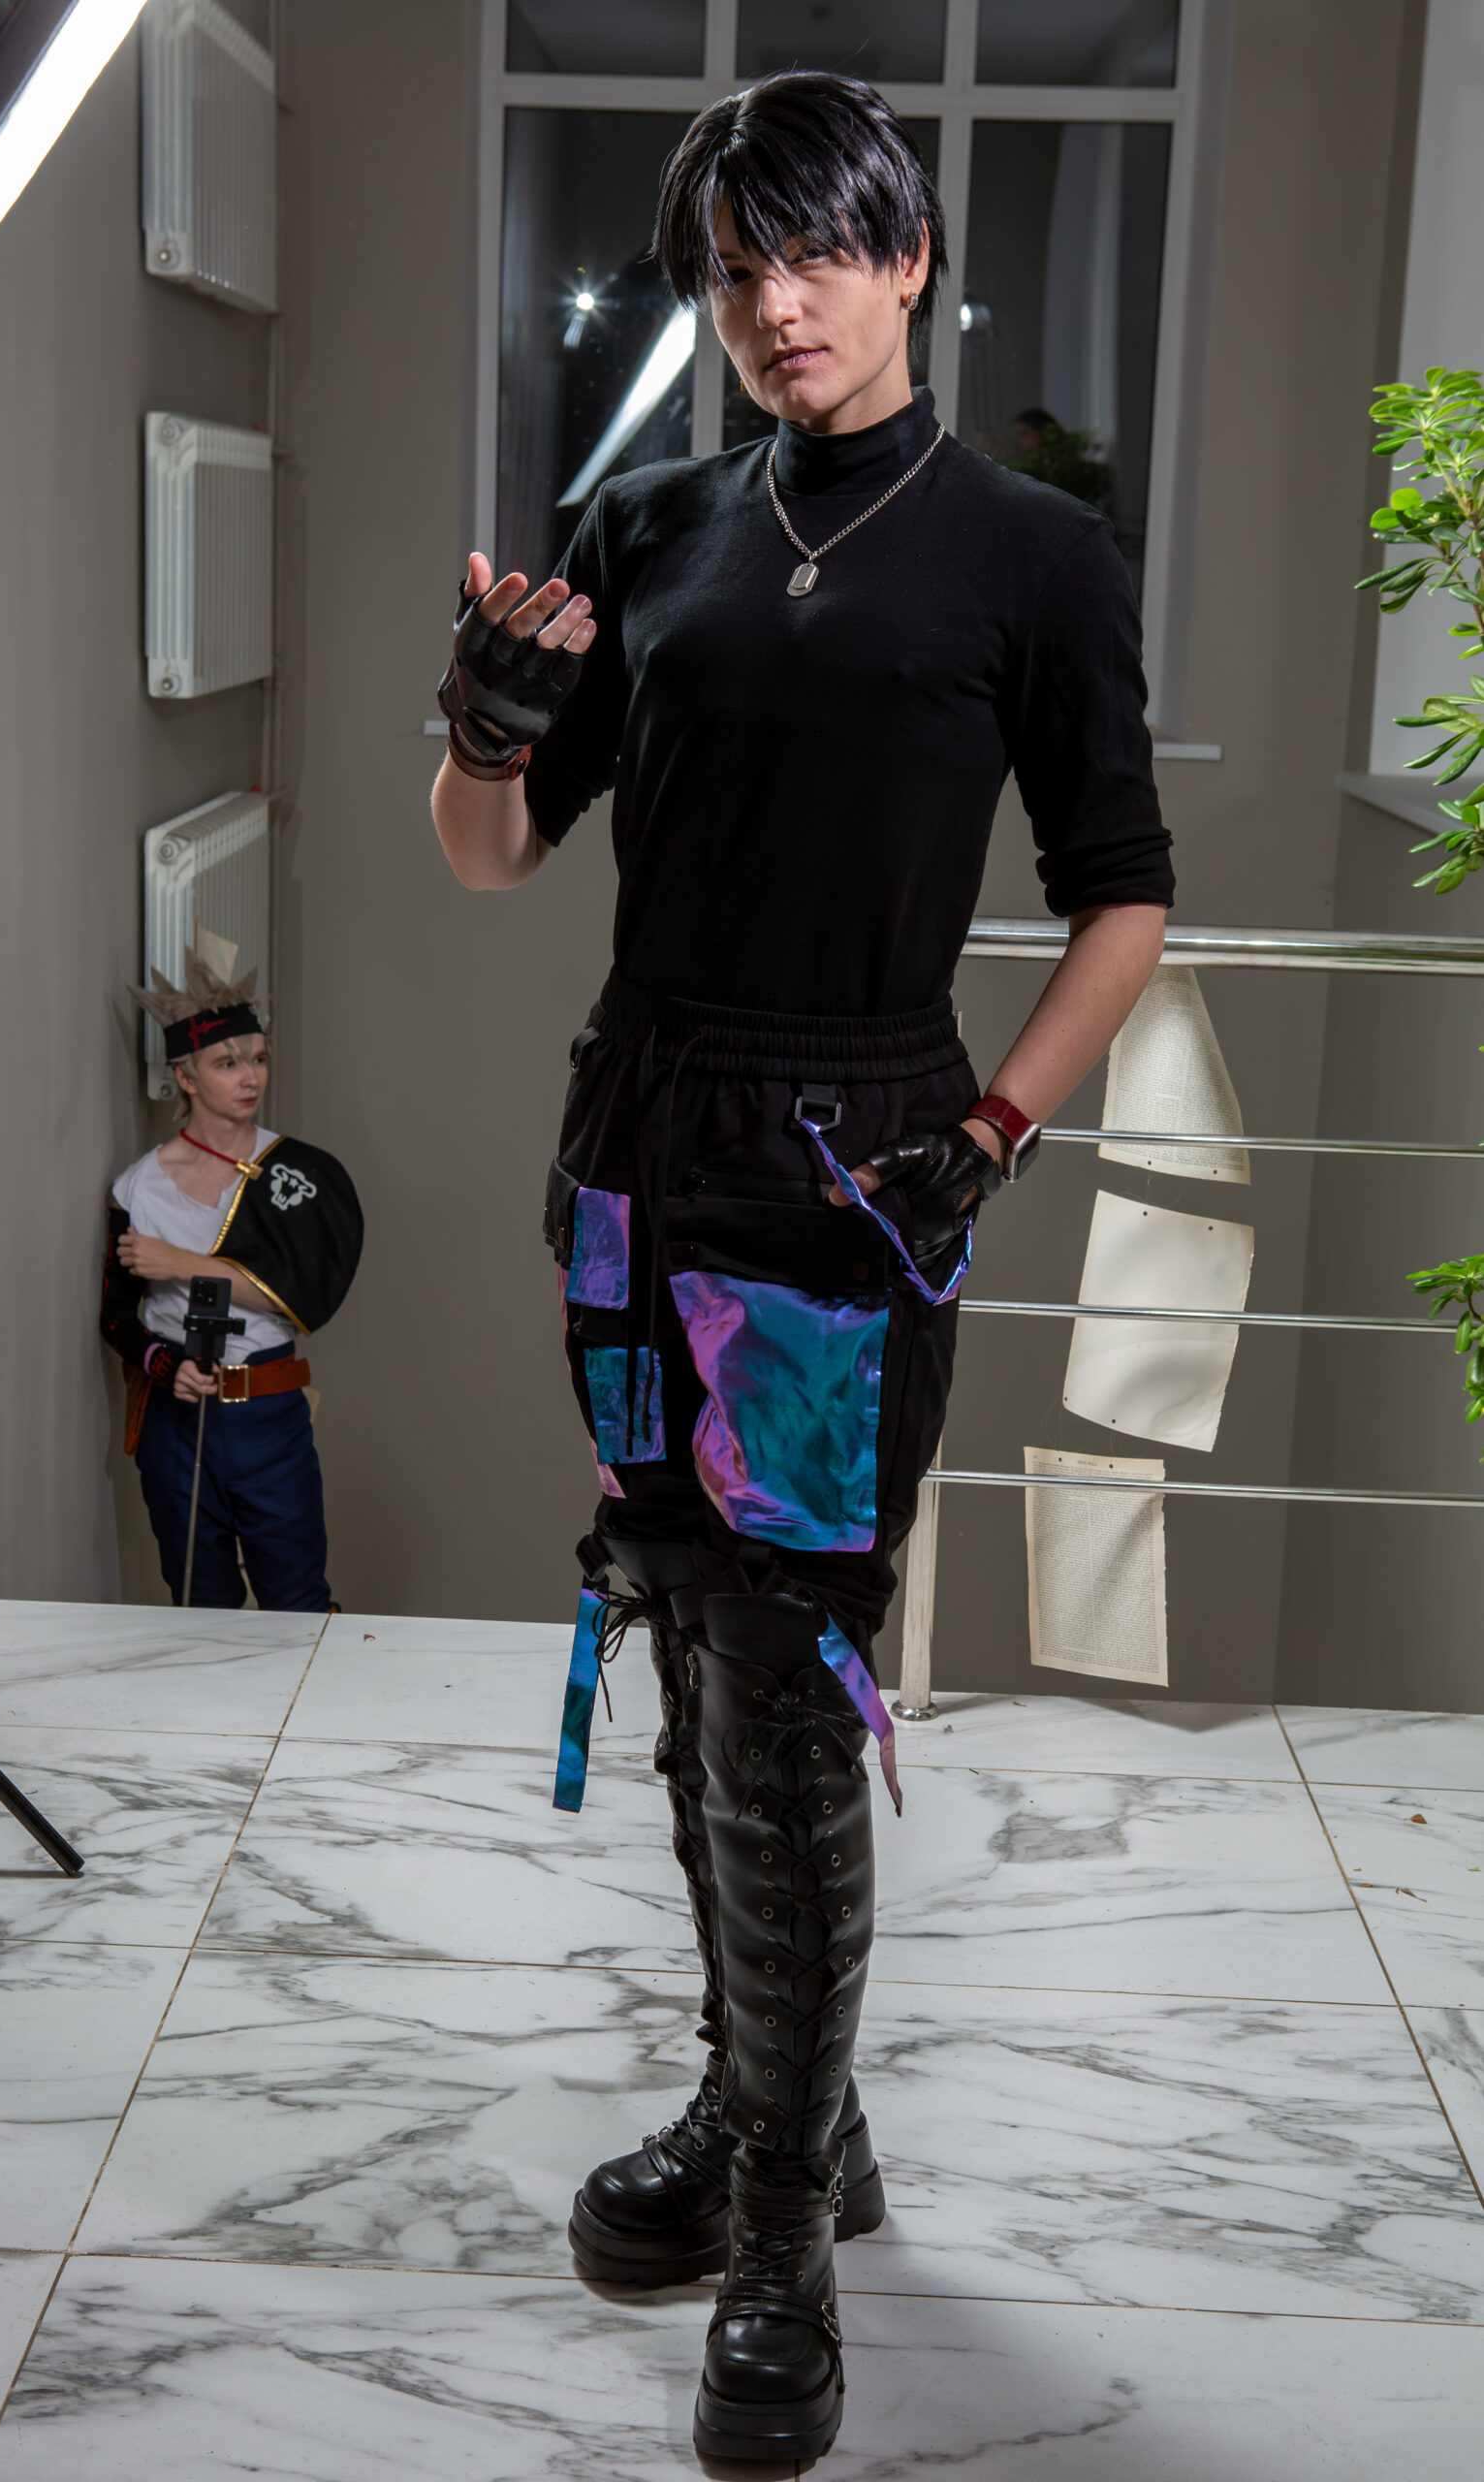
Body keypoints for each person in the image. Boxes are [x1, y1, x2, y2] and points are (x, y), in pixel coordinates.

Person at [430, 72, 1172, 2466]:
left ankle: (776, 2222)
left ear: (909, 254)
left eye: (818, 252)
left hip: (852, 1172)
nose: (775, 303)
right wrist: (482, 728)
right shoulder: (647, 521)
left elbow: (1121, 893)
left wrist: (988, 1130)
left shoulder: (1029, 553)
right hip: (636, 1145)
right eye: (736, 265)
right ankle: (791, 2111)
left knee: (781, 1687)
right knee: (683, 1645)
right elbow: (489, 857)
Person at [100, 928, 363, 1612]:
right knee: (200, 1606)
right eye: (227, 1062)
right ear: (186, 1077)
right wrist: (163, 1364)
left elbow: (301, 1291)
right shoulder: (137, 1189)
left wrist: (179, 1263)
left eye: (258, 1058)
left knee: (298, 1604)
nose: (250, 1077)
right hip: (176, 1418)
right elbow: (115, 1317)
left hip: (268, 1414)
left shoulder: (299, 1173)